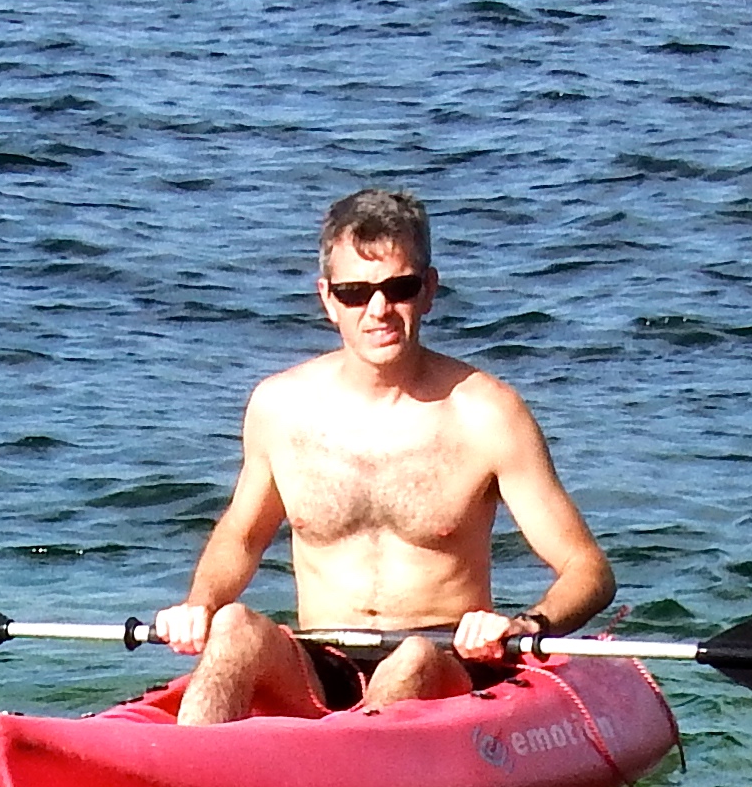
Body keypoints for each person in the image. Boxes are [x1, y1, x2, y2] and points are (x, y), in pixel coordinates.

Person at [153, 187, 613, 728]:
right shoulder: (279, 406)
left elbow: (588, 569)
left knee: (411, 660)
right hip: (321, 660)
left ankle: (348, 786)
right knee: (232, 628)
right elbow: (242, 537)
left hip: (445, 663)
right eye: (355, 292)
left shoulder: (489, 414)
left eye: (399, 288)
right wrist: (199, 604)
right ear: (327, 299)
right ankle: (190, 774)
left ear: (429, 290)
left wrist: (527, 624)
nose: (378, 310)